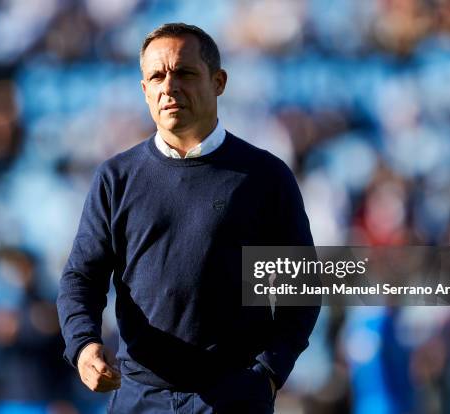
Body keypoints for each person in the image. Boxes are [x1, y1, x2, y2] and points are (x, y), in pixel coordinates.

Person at [57, 22, 319, 413]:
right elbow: (82, 277)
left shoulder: (264, 177)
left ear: (219, 81)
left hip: (232, 396)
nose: (169, 87)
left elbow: (301, 288)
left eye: (185, 73)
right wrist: (84, 346)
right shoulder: (116, 178)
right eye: (157, 76)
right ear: (144, 90)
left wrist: (268, 373)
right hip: (139, 397)